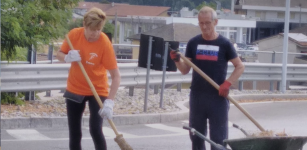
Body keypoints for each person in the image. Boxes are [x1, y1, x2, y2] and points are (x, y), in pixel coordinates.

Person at [170, 6, 244, 150]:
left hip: (218, 97)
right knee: (196, 137)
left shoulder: (224, 43)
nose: (204, 27)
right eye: (201, 23)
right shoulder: (193, 43)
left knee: (218, 140)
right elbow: (185, 70)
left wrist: (227, 83)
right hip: (198, 97)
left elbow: (240, 66)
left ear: (215, 22)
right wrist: (177, 61)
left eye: (207, 23)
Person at [56, 7, 120, 150]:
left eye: (99, 30)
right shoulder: (74, 35)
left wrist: (110, 101)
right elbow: (59, 54)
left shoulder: (104, 43)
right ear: (85, 25)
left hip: (97, 89)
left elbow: (116, 76)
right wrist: (67, 57)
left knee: (95, 130)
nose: (96, 33)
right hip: (75, 87)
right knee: (75, 133)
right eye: (92, 30)